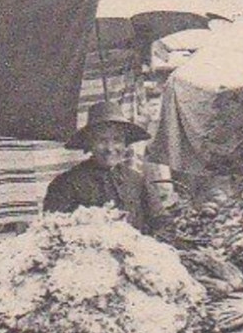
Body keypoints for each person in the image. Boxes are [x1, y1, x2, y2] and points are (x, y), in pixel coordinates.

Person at [43, 101, 165, 235]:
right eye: (102, 140)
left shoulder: (136, 180)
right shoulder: (65, 184)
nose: (110, 148)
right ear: (89, 143)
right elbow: (52, 231)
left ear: (125, 144)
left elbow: (161, 222)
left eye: (117, 140)